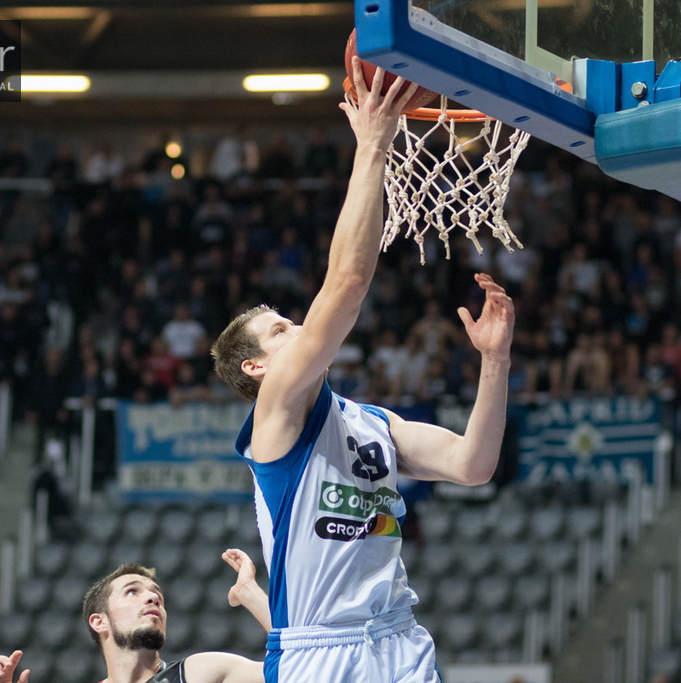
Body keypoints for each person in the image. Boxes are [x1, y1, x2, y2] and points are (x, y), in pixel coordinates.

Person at [210, 60, 513, 683]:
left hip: (400, 639)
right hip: (321, 653)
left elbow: (472, 465)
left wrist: (495, 361)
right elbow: (347, 283)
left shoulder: (371, 424)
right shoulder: (275, 418)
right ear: (255, 367)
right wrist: (373, 142)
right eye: (280, 331)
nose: (298, 330)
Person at [0, 549, 269, 683]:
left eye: (157, 595)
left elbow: (302, 669)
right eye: (132, 591)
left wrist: (248, 592)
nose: (153, 597)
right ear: (98, 621)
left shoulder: (201, 673)